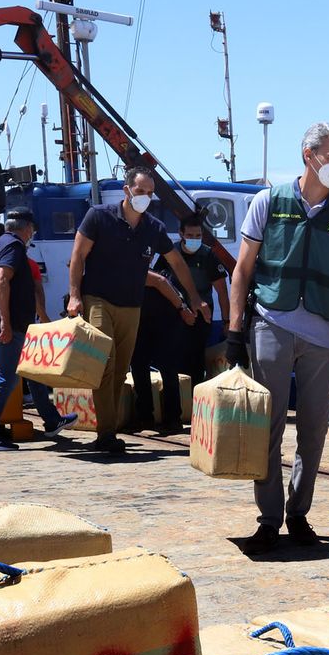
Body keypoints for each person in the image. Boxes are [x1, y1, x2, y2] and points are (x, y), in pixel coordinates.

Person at [225, 121, 329, 555]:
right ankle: (268, 520)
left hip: (323, 336)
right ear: (308, 156)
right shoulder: (268, 202)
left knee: (313, 431)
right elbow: (242, 270)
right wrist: (235, 330)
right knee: (268, 428)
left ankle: (298, 514)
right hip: (271, 325)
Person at [66, 166, 201, 454]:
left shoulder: (154, 228)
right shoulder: (99, 216)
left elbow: (177, 263)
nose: (146, 197)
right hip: (98, 299)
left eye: (150, 193)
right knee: (105, 363)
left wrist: (194, 297)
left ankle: (108, 430)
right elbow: (77, 256)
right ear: (127, 190)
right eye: (141, 191)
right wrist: (75, 296)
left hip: (131, 306)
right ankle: (106, 434)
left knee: (119, 371)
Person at [0, 209, 77, 450]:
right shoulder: (14, 246)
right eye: (32, 230)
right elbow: (1, 280)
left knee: (32, 370)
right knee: (6, 377)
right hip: (10, 323)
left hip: (13, 321)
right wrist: (5, 322)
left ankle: (52, 420)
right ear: (28, 228)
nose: (32, 234)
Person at [132, 213, 227, 432]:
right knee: (163, 364)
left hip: (196, 317)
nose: (194, 239)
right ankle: (158, 414)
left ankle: (190, 414)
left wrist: (227, 321)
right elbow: (159, 280)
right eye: (190, 235)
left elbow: (222, 291)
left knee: (192, 366)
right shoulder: (167, 254)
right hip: (166, 317)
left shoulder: (208, 256)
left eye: (198, 235)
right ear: (181, 234)